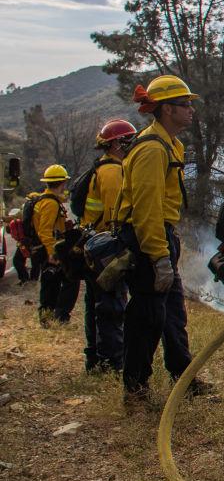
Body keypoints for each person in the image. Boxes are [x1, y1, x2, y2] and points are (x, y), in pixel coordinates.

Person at [118, 75, 213, 406]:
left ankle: (183, 378)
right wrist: (158, 256)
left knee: (173, 314)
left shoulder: (172, 144)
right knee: (147, 316)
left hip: (162, 236)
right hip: (148, 240)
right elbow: (146, 210)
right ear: (166, 110)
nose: (190, 110)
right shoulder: (151, 150)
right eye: (185, 104)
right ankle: (135, 389)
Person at [80, 119, 135, 373]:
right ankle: (111, 362)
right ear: (115, 143)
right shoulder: (113, 172)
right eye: (128, 140)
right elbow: (117, 215)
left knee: (96, 304)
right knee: (111, 306)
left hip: (95, 244)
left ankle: (95, 358)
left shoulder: (101, 168)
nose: (131, 145)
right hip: (107, 249)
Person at [32, 165, 77, 325]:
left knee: (51, 285)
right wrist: (52, 253)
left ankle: (49, 317)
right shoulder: (50, 203)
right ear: (62, 182)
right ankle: (59, 317)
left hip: (46, 248)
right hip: (50, 250)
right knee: (68, 281)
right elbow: (45, 230)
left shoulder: (44, 200)